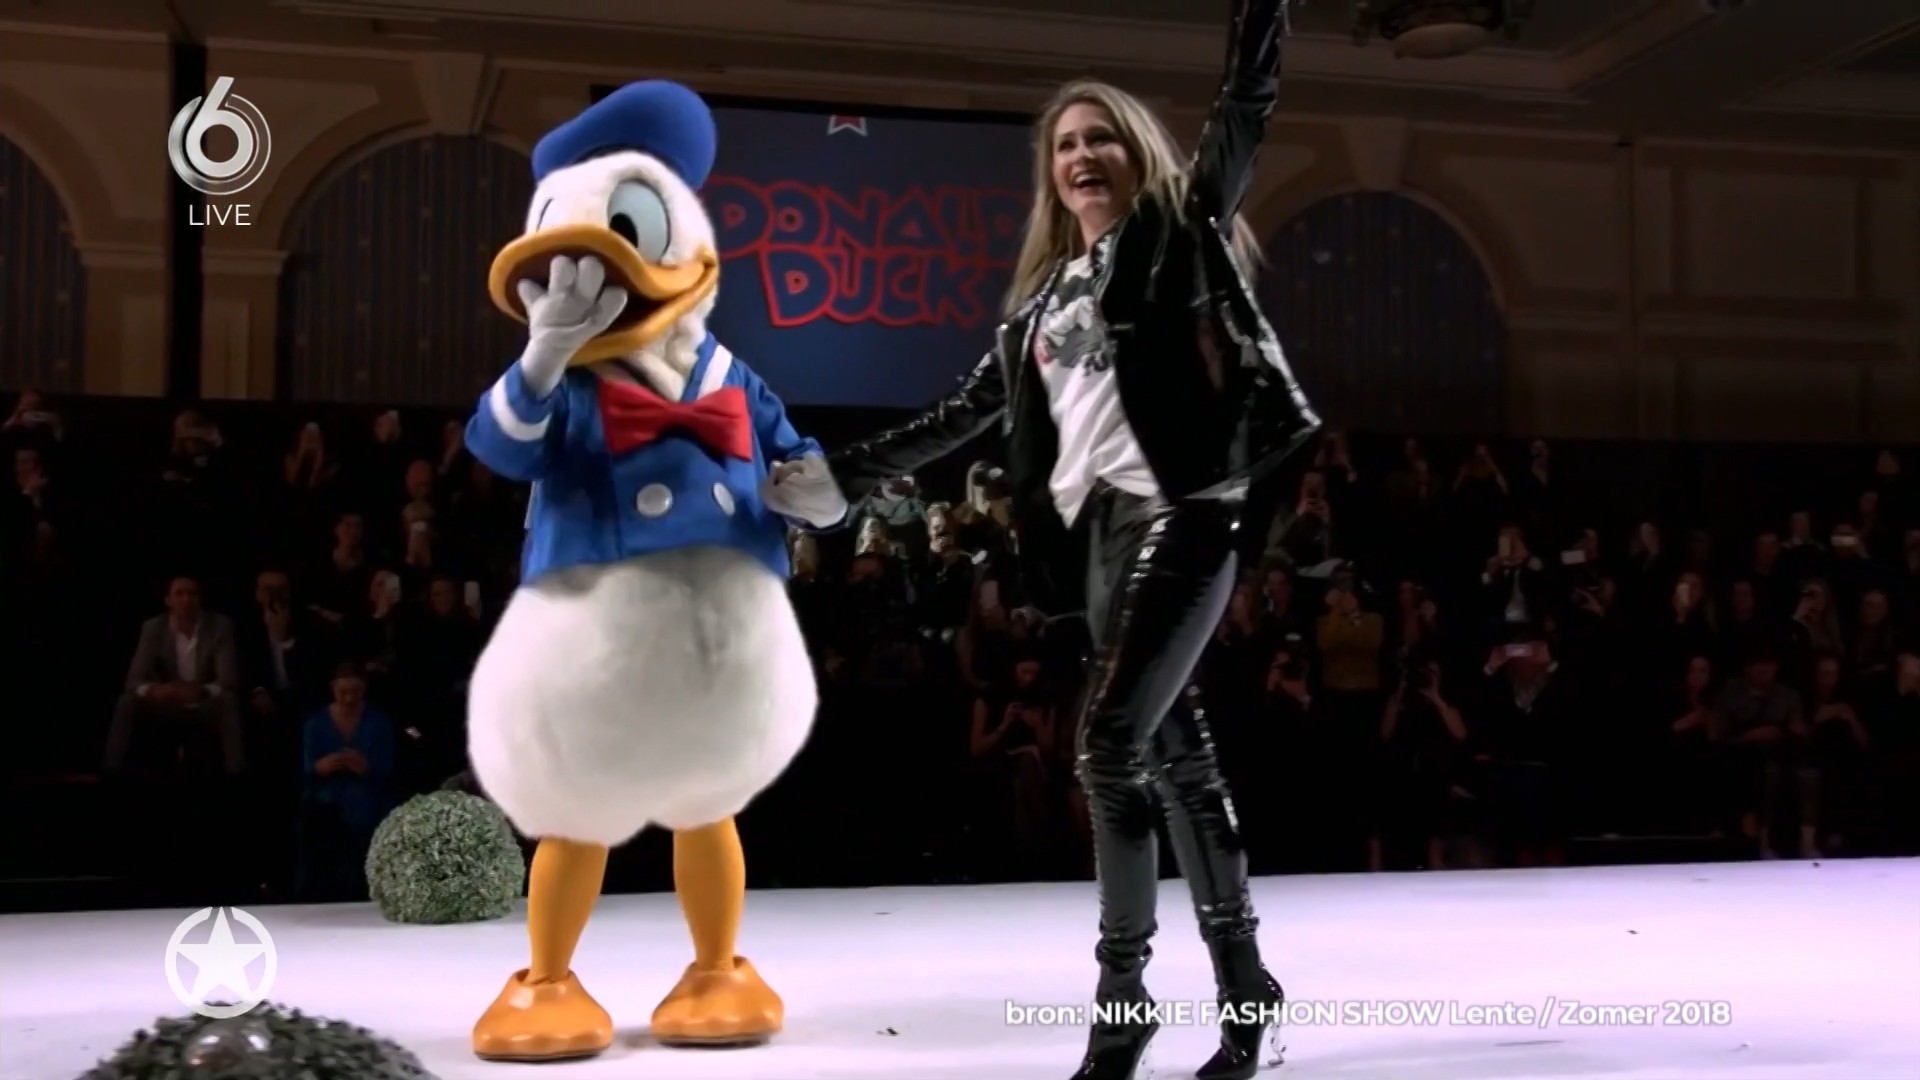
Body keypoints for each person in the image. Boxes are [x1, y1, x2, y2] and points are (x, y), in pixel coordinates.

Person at [828, 2, 1313, 1076]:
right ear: (1050, 175)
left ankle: (1121, 1001)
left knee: (1105, 748)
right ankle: (1249, 991)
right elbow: (958, 417)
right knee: (1178, 760)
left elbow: (1244, 107)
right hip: (1099, 540)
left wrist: (1262, 18)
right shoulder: (1037, 305)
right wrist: (832, 478)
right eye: (1065, 144)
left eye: (1101, 138)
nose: (1083, 154)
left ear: (1136, 155)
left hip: (1185, 512)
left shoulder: (1174, 234)